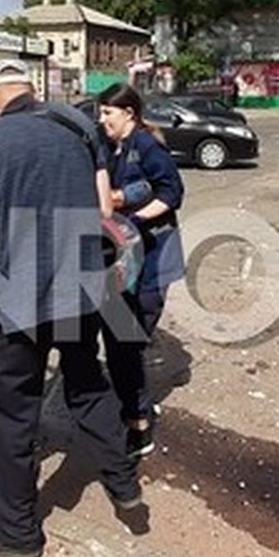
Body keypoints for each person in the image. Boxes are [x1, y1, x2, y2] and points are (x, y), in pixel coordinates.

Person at [0, 58, 142, 557]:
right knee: (86, 384)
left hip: (24, 300)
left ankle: (17, 536)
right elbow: (104, 210)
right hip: (82, 286)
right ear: (30, 88)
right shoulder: (79, 125)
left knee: (12, 412)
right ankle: (123, 482)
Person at [95, 84, 185, 459]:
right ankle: (133, 401)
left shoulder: (148, 146)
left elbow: (171, 192)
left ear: (129, 113)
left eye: (108, 114)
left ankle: (138, 421)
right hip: (128, 261)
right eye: (100, 113)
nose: (102, 120)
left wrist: (130, 220)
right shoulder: (113, 147)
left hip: (152, 261)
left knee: (125, 343)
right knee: (123, 343)